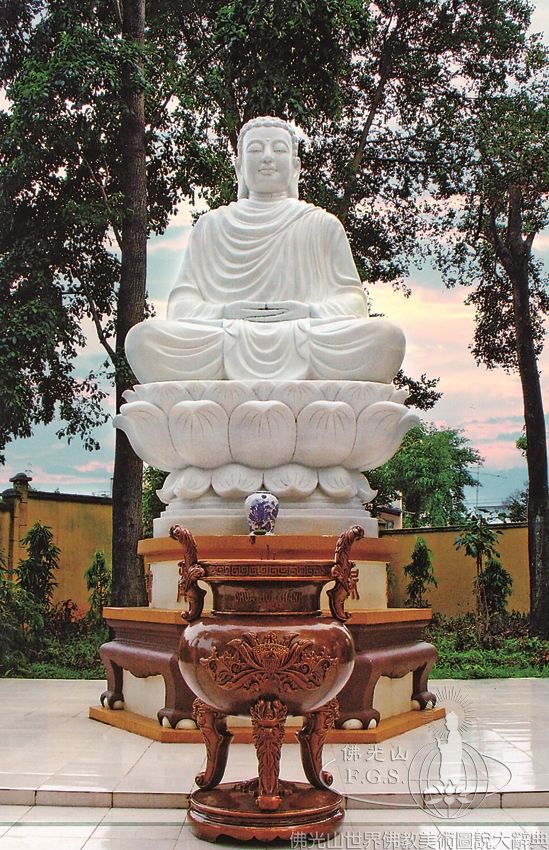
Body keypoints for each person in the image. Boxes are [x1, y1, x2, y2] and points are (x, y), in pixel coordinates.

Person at [125, 116, 405, 383]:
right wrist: (225, 312)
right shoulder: (211, 225)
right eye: (256, 149)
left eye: (279, 149)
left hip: (305, 334)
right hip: (226, 335)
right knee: (143, 340)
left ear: (295, 167)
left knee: (386, 339)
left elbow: (354, 303)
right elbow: (182, 306)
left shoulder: (322, 224)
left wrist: (308, 311)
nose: (268, 157)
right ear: (239, 167)